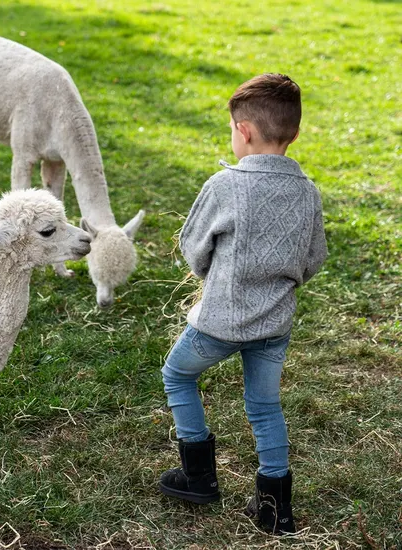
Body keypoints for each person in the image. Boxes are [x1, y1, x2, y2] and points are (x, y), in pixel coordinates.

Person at [158, 73, 328, 535]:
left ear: (244, 131)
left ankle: (198, 476)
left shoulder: (224, 185)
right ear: (293, 133)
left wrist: (215, 276)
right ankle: (275, 510)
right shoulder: (308, 191)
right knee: (264, 404)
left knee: (177, 373)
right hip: (275, 325)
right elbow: (313, 259)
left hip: (219, 324)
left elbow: (195, 250)